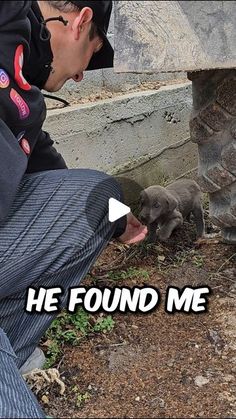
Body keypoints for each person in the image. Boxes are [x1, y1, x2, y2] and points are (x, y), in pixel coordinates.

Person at [0, 1, 147, 417]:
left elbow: (41, 156)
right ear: (81, 22)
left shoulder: (22, 72)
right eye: (91, 53)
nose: (82, 74)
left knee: (97, 196)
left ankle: (8, 347)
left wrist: (116, 216)